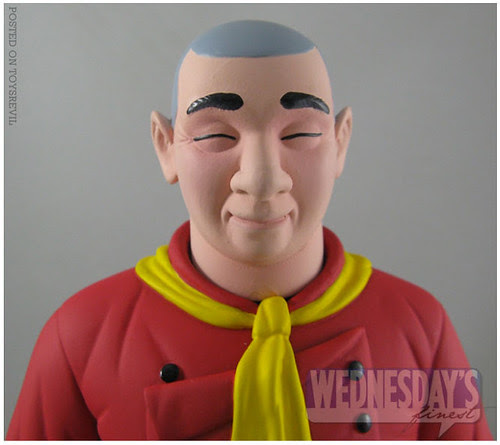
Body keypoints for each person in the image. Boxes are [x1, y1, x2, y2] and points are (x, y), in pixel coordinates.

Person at [7, 20, 492, 440]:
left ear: (340, 143)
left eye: (300, 133)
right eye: (216, 135)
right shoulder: (81, 336)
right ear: (166, 146)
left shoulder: (420, 326)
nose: (261, 179)